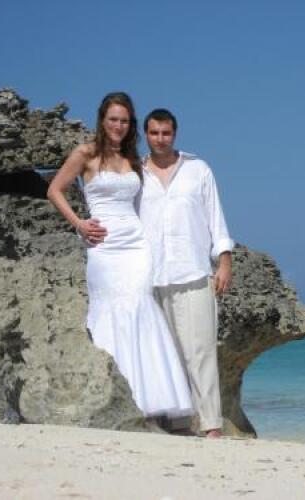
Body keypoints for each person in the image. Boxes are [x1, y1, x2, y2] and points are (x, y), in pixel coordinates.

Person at [46, 93, 192, 425]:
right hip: (104, 246)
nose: (118, 125)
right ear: (102, 119)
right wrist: (79, 224)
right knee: (109, 310)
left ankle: (151, 402)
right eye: (113, 119)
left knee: (140, 307)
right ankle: (114, 394)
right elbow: (54, 190)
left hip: (136, 247)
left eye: (124, 121)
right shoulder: (85, 153)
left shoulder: (132, 159)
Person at [139, 108, 234, 438]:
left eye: (166, 133)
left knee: (201, 351)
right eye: (154, 133)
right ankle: (178, 424)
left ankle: (211, 426)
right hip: (151, 276)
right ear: (146, 135)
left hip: (193, 271)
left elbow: (215, 218)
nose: (160, 139)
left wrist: (224, 261)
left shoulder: (198, 169)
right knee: (165, 355)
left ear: (174, 134)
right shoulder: (136, 174)